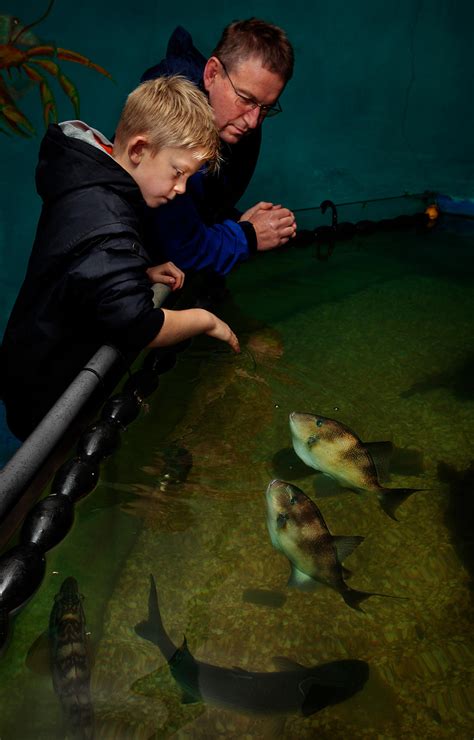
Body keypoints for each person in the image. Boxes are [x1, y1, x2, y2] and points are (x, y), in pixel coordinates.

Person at [0, 76, 239, 442]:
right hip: (48, 394)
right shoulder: (109, 224)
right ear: (140, 148)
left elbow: (79, 266)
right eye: (177, 172)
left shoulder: (91, 182)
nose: (180, 189)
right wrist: (204, 320)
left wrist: (137, 273)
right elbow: (140, 325)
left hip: (31, 358)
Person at [140, 18, 296, 277]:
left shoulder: (233, 119)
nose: (253, 121)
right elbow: (181, 249)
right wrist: (248, 234)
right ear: (212, 73)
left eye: (266, 108)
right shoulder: (170, 122)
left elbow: (201, 210)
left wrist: (238, 222)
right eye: (246, 99)